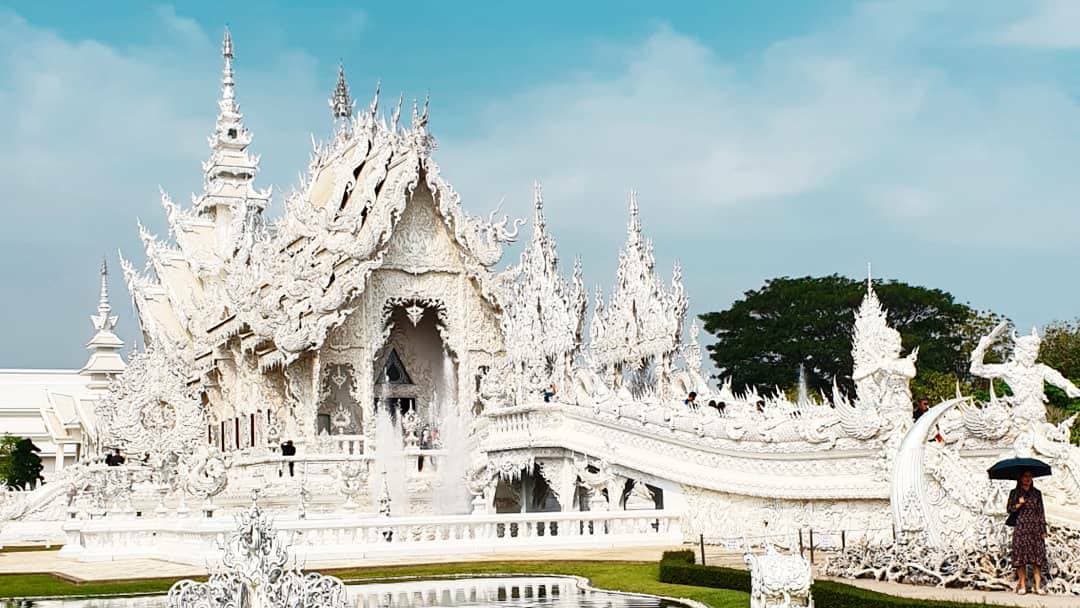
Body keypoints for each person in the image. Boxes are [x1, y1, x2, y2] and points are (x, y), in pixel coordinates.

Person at [1007, 470, 1048, 595]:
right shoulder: (1015, 493)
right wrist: (1018, 504)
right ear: (1020, 478)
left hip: (1035, 528)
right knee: (1021, 557)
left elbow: (1041, 512)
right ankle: (1023, 585)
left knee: (1037, 558)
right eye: (1025, 476)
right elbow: (1009, 509)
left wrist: (1043, 529)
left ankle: (1037, 586)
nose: (1027, 479)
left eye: (1030, 476)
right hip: (1021, 527)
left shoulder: (1036, 493)